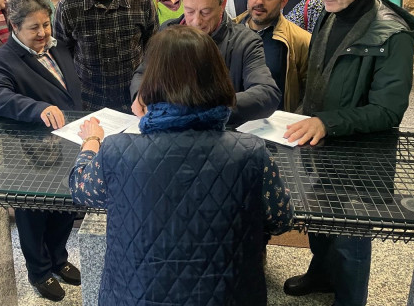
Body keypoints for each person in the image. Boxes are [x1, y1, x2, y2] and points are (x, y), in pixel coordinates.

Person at [70, 25, 293, 305]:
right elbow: (281, 218)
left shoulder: (117, 150)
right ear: (217, 77)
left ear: (152, 80)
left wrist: (91, 141)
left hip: (134, 296)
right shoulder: (251, 153)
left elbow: (81, 189)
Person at [282, 0, 414, 306]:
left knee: (352, 238)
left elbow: (388, 111)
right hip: (322, 145)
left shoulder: (393, 35)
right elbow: (321, 75)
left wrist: (326, 122)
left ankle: (349, 298)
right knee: (320, 219)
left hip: (361, 156)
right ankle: (322, 274)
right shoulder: (330, 12)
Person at [0, 0, 81, 301]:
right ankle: (39, 271)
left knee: (65, 207)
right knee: (34, 215)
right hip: (30, 154)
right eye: (33, 28)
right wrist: (36, 108)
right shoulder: (2, 60)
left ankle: (58, 259)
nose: (42, 33)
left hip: (67, 143)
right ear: (14, 26)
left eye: (46, 25)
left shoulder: (58, 48)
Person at [131, 0, 280, 125]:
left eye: (205, 12)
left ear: (222, 6)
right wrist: (140, 95)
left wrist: (204, 107)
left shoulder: (244, 42)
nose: (196, 21)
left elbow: (267, 93)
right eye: (189, 11)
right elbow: (142, 74)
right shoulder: (168, 32)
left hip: (221, 134)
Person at [54, 0, 158, 112]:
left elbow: (153, 47)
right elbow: (62, 55)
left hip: (135, 99)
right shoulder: (67, 8)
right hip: (88, 103)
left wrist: (146, 90)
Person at [236, 0, 311, 112]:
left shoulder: (300, 41)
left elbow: (310, 95)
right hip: (231, 126)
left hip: (274, 129)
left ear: (284, 1)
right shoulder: (230, 31)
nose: (259, 1)